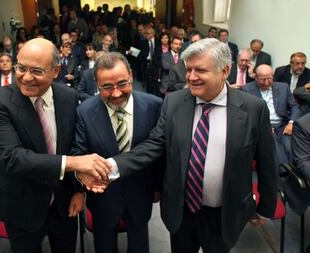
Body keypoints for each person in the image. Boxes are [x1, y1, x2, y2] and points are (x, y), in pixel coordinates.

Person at [79, 38, 278, 253]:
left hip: (226, 213)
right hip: (182, 212)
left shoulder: (253, 109)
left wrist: (266, 206)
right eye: (188, 69)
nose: (191, 77)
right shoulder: (174, 103)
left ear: (225, 70)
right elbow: (154, 145)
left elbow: (267, 161)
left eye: (200, 70)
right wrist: (109, 167)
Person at [0, 38, 111, 253]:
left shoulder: (68, 97)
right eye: (21, 68)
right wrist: (74, 163)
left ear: (55, 71)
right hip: (22, 204)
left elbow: (73, 145)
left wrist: (79, 190)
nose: (26, 77)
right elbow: (14, 158)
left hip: (63, 204)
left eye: (37, 71)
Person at [72, 52, 164, 253]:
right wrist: (81, 183)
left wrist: (158, 186)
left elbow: (158, 152)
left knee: (140, 247)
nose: (115, 93)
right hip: (103, 198)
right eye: (107, 87)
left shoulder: (154, 106)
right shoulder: (84, 112)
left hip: (141, 194)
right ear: (96, 84)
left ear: (131, 76)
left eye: (122, 84)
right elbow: (79, 153)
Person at [242, 64, 301, 166]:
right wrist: (264, 126)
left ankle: (294, 171)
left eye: (269, 79)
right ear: (256, 78)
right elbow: (246, 114)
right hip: (262, 125)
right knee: (273, 142)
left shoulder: (283, 87)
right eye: (262, 79)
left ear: (273, 76)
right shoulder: (246, 89)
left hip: (282, 125)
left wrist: (291, 123)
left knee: (288, 143)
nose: (266, 82)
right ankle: (284, 172)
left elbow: (295, 106)